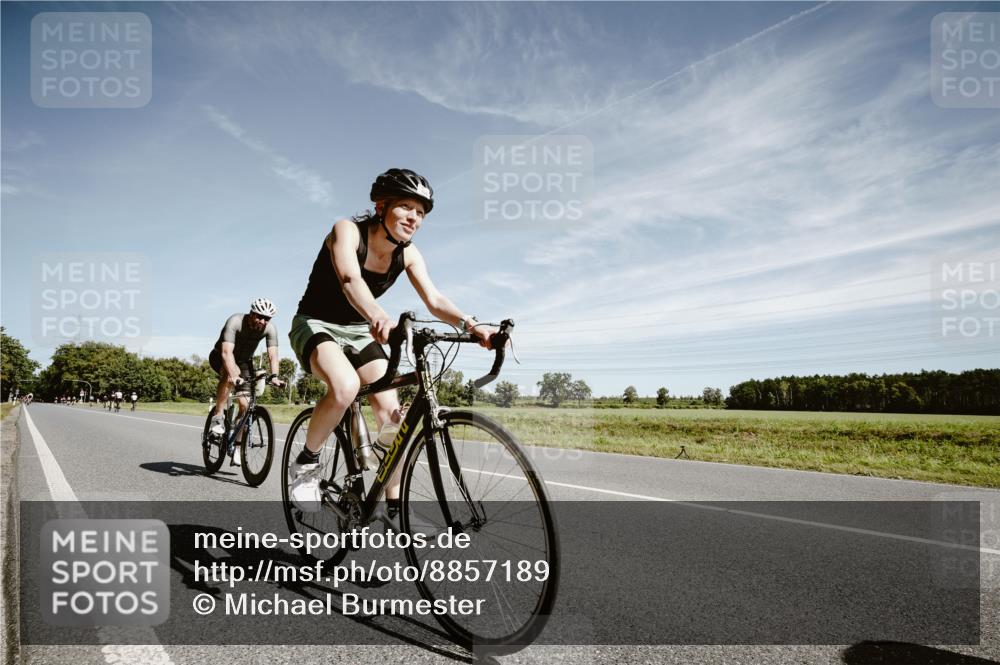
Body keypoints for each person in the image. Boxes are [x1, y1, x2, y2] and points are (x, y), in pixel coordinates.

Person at [288, 168, 495, 514]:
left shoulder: (408, 254)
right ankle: (307, 463)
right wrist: (378, 316)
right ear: (382, 206)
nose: (414, 218)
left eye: (421, 212)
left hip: (358, 330)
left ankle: (396, 512)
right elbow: (350, 279)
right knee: (345, 387)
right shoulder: (347, 231)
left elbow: (434, 299)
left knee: (392, 417)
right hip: (316, 323)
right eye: (406, 207)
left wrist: (472, 325)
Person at [208, 299, 286, 464]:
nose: (263, 321)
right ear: (251, 313)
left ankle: (237, 446)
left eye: (267, 318)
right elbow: (226, 353)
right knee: (230, 374)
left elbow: (273, 355)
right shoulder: (235, 321)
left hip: (244, 362)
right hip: (220, 355)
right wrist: (233, 374)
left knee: (245, 406)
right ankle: (218, 416)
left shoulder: (270, 329)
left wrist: (275, 376)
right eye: (260, 316)